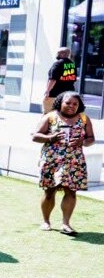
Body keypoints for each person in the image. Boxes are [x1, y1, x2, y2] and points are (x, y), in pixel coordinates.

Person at [34, 91, 94, 236]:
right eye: (68, 103)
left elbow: (91, 138)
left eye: (75, 104)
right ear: (60, 102)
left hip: (74, 160)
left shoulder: (84, 118)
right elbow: (36, 136)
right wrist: (51, 137)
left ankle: (66, 224)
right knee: (49, 191)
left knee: (71, 192)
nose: (71, 106)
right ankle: (46, 221)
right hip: (52, 160)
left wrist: (82, 142)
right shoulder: (50, 116)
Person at [43, 46, 77, 114]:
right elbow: (73, 79)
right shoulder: (72, 65)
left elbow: (53, 79)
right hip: (68, 94)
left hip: (55, 95)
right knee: (63, 115)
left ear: (63, 54)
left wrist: (47, 91)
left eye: (58, 53)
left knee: (48, 114)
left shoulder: (57, 64)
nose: (57, 54)